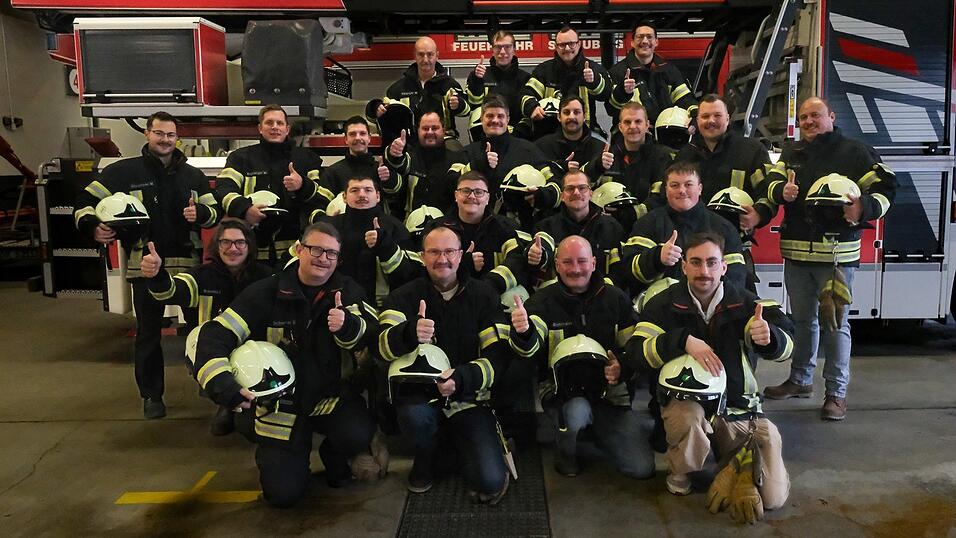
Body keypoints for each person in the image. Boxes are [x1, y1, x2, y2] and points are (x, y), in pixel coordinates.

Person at [193, 222, 380, 508]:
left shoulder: (347, 290)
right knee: (282, 496)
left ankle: (336, 455)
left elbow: (372, 331)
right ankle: (282, 460)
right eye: (315, 249)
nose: (323, 258)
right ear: (298, 249)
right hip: (279, 406)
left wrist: (347, 326)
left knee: (357, 432)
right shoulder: (264, 293)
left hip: (328, 397)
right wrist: (223, 385)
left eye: (331, 253)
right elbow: (215, 335)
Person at [628, 232, 794, 523]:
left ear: (723, 267)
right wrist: (682, 341)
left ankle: (733, 467)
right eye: (696, 262)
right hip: (686, 407)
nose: (704, 271)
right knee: (688, 419)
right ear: (684, 267)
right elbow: (635, 354)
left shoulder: (746, 304)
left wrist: (769, 338)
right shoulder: (663, 305)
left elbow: (788, 342)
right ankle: (682, 469)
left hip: (740, 410)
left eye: (711, 262)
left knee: (773, 499)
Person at [74, 111, 219, 419]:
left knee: (200, 329)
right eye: (159, 133)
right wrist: (93, 226)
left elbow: (214, 209)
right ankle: (152, 395)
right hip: (145, 265)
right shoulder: (122, 173)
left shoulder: (192, 175)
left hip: (190, 266)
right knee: (149, 333)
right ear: (147, 134)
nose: (165, 139)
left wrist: (202, 215)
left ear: (177, 138)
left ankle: (209, 382)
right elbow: (84, 201)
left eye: (170, 135)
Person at [762, 97, 897, 421]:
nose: (809, 121)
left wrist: (863, 207)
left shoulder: (855, 152)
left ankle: (836, 394)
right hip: (796, 253)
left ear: (831, 117)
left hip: (836, 259)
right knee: (802, 321)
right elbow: (769, 182)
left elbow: (888, 188)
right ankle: (800, 380)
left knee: (836, 326)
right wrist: (782, 191)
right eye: (804, 117)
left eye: (816, 115)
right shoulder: (792, 152)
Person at [378, 224, 510, 503]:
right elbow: (380, 349)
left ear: (461, 255)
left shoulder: (484, 296)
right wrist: (408, 333)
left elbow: (498, 359)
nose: (442, 259)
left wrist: (461, 379)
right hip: (420, 400)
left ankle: (452, 450)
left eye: (449, 251)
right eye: (434, 252)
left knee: (490, 481)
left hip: (469, 398)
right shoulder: (402, 296)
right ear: (422, 256)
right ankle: (426, 458)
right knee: (415, 418)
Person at [510, 236, 654, 479]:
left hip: (611, 396)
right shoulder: (541, 302)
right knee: (576, 411)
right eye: (567, 262)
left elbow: (635, 349)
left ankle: (595, 431)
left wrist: (622, 366)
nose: (575, 269)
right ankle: (567, 448)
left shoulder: (616, 299)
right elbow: (529, 350)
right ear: (556, 265)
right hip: (563, 395)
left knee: (641, 469)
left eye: (582, 261)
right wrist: (523, 332)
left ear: (594, 263)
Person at [141, 219, 273, 434]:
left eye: (240, 243)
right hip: (217, 350)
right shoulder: (202, 275)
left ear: (250, 246)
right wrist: (157, 276)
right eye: (225, 242)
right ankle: (226, 404)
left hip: (258, 352)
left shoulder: (266, 277)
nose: (233, 249)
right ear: (216, 246)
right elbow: (172, 291)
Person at [215, 104, 327, 267]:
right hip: (250, 249)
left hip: (296, 250)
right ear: (260, 128)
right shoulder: (241, 158)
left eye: (279, 123)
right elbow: (224, 188)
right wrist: (245, 210)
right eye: (269, 123)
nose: (275, 127)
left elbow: (325, 198)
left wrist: (303, 186)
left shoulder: (307, 159)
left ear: (287, 129)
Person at [611, 161, 746, 294]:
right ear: (666, 190)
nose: (682, 191)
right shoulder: (648, 223)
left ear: (700, 189)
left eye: (688, 185)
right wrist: (657, 258)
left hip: (711, 308)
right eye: (675, 185)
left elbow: (737, 277)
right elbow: (629, 272)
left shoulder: (723, 227)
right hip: (659, 308)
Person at [675, 95, 775, 233]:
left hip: (734, 240)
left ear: (727, 119)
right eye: (705, 116)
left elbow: (768, 191)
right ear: (697, 121)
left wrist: (758, 215)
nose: (711, 120)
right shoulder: (684, 156)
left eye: (717, 115)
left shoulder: (751, 151)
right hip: (692, 239)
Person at [318, 176, 412, 306]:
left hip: (383, 306)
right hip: (334, 303)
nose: (361, 194)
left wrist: (386, 246)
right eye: (354, 190)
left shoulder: (395, 227)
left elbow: (410, 274)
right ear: (344, 197)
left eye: (368, 190)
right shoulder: (328, 226)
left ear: (378, 196)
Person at [584, 102, 672, 231]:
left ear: (647, 125)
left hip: (649, 226)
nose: (632, 126)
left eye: (638, 121)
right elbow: (584, 186)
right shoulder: (607, 155)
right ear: (620, 127)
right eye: (627, 122)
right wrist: (597, 166)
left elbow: (661, 198)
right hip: (609, 226)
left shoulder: (661, 157)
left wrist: (630, 215)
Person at [368, 36, 469, 141]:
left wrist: (459, 105)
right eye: (421, 54)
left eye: (430, 54)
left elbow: (467, 111)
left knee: (456, 152)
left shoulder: (449, 84)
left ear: (437, 56)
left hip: (444, 140)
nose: (425, 60)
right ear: (415, 56)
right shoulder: (398, 88)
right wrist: (375, 109)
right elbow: (377, 118)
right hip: (410, 142)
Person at [521, 25, 612, 139]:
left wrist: (594, 82)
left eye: (571, 43)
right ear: (556, 47)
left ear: (579, 44)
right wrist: (532, 107)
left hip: (584, 134)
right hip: (549, 135)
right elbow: (526, 94)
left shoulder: (593, 68)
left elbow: (607, 94)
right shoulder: (544, 70)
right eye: (562, 45)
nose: (567, 48)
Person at [607, 21, 698, 130]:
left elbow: (685, 99)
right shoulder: (618, 72)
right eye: (640, 37)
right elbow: (611, 110)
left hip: (664, 132)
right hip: (631, 134)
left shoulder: (668, 70)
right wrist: (623, 92)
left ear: (656, 42)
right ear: (632, 42)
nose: (645, 41)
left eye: (649, 37)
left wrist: (695, 115)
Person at [535, 170, 624, 274]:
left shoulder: (611, 227)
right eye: (570, 188)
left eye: (582, 188)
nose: (576, 192)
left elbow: (619, 272)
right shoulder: (546, 228)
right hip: (559, 289)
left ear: (591, 194)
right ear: (562, 196)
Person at [383, 111, 467, 214]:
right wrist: (393, 155)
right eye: (425, 128)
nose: (430, 132)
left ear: (443, 130)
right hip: (410, 223)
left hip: (446, 225)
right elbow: (396, 167)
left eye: (435, 128)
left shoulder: (456, 159)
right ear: (418, 130)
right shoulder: (409, 157)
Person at [320, 116, 398, 212]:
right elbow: (322, 204)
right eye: (352, 134)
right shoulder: (332, 173)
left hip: (377, 225)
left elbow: (395, 197)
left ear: (369, 138)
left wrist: (388, 180)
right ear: (346, 139)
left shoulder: (381, 169)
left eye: (362, 133)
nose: (358, 138)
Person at [465, 30, 532, 140]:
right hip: (485, 137)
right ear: (492, 50)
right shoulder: (480, 76)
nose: (502, 51)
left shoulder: (525, 78)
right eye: (498, 47)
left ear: (514, 49)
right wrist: (476, 80)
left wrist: (515, 135)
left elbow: (527, 115)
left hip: (518, 139)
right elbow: (474, 106)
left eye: (507, 47)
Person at [535, 95, 606, 167]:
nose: (571, 117)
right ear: (559, 117)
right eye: (566, 112)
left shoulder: (600, 149)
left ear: (584, 116)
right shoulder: (542, 147)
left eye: (576, 112)